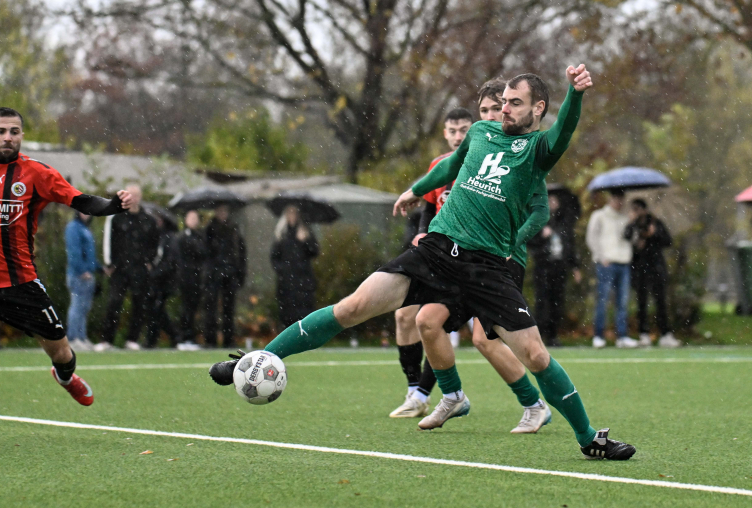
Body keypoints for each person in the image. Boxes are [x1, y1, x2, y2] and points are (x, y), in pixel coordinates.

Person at [212, 66, 636, 460]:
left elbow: (565, 130)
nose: (504, 108)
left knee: (537, 356)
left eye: (515, 103)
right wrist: (416, 189)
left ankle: (589, 439)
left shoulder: (538, 149)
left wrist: (575, 94)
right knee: (354, 306)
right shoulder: (482, 132)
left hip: (487, 269)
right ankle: (253, 361)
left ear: (538, 108)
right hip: (436, 250)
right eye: (503, 101)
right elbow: (451, 164)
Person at [0, 107, 138, 448]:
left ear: (21, 136)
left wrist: (114, 204)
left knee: (62, 352)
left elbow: (80, 200)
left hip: (21, 284)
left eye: (14, 132)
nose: (7, 137)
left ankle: (65, 378)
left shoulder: (36, 173)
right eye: (1, 131)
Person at [392, 82, 554, 435]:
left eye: (499, 109)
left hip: (500, 258)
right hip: (461, 256)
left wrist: (513, 240)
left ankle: (534, 405)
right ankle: (445, 395)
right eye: (485, 111)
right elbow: (440, 189)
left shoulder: (523, 151)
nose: (494, 116)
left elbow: (540, 212)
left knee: (483, 338)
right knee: (427, 320)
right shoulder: (475, 148)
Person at [391, 107, 473, 419]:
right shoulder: (439, 165)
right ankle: (415, 390)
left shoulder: (480, 163)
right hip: (433, 253)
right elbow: (428, 207)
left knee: (444, 327)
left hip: (465, 259)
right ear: (444, 133)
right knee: (404, 317)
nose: (457, 137)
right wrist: (422, 233)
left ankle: (430, 394)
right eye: (452, 131)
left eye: (463, 130)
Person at [97, 185, 159, 352]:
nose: (133, 198)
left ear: (140, 197)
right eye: (130, 195)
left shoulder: (149, 220)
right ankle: (107, 340)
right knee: (114, 303)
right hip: (120, 269)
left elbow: (155, 244)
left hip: (140, 269)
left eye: (136, 195)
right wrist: (110, 263)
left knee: (139, 305)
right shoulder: (116, 218)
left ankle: (132, 339)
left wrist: (150, 261)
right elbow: (108, 241)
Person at [624, 198, 680, 347]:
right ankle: (644, 334)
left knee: (660, 302)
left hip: (656, 267)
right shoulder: (632, 226)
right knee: (641, 303)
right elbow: (626, 237)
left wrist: (654, 235)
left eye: (637, 209)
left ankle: (665, 334)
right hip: (639, 269)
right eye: (633, 209)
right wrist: (637, 233)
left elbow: (668, 241)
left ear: (644, 209)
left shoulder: (655, 223)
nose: (635, 212)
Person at [528, 193, 582, 347]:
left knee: (557, 301)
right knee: (541, 301)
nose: (552, 203)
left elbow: (569, 245)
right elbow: (530, 242)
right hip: (543, 266)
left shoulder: (564, 221)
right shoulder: (538, 219)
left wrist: (575, 266)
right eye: (549, 200)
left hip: (559, 266)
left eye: (555, 200)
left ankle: (553, 335)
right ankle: (538, 336)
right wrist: (542, 236)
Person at [586, 190, 638, 349]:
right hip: (607, 263)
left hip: (624, 262)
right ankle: (598, 335)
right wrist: (600, 256)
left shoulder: (625, 218)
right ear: (610, 199)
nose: (619, 203)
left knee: (622, 301)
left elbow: (632, 239)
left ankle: (622, 336)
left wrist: (631, 223)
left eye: (621, 199)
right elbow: (591, 237)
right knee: (603, 299)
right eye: (616, 199)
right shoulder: (599, 216)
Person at [203, 205, 247, 348]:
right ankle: (210, 340)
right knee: (211, 307)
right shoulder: (209, 229)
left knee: (229, 308)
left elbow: (241, 252)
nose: (222, 213)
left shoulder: (234, 229)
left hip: (230, 273)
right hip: (214, 273)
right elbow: (205, 252)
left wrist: (240, 273)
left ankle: (228, 339)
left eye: (224, 211)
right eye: (220, 210)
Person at [270, 206, 320, 328]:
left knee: (304, 312)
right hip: (286, 283)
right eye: (289, 213)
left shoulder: (305, 232)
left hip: (303, 281)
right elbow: (274, 257)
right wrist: (283, 270)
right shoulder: (281, 235)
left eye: (294, 213)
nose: (292, 216)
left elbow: (315, 251)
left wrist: (306, 240)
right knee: (287, 313)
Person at [65, 211, 101, 352]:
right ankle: (73, 338)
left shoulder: (84, 228)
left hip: (88, 274)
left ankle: (81, 336)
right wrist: (81, 270)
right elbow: (74, 252)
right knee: (77, 306)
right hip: (78, 275)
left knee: (84, 308)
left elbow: (90, 254)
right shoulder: (73, 228)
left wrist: (100, 268)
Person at [145, 213, 179, 348]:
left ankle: (170, 336)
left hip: (165, 281)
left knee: (158, 310)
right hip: (156, 281)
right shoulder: (156, 237)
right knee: (155, 310)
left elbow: (170, 262)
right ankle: (155, 338)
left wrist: (154, 272)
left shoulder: (169, 238)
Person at [176, 210, 207, 351]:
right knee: (185, 308)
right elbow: (179, 257)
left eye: (195, 218)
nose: (193, 220)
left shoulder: (201, 237)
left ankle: (191, 337)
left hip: (197, 277)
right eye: (191, 218)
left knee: (194, 308)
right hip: (185, 277)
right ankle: (184, 336)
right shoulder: (181, 237)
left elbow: (203, 253)